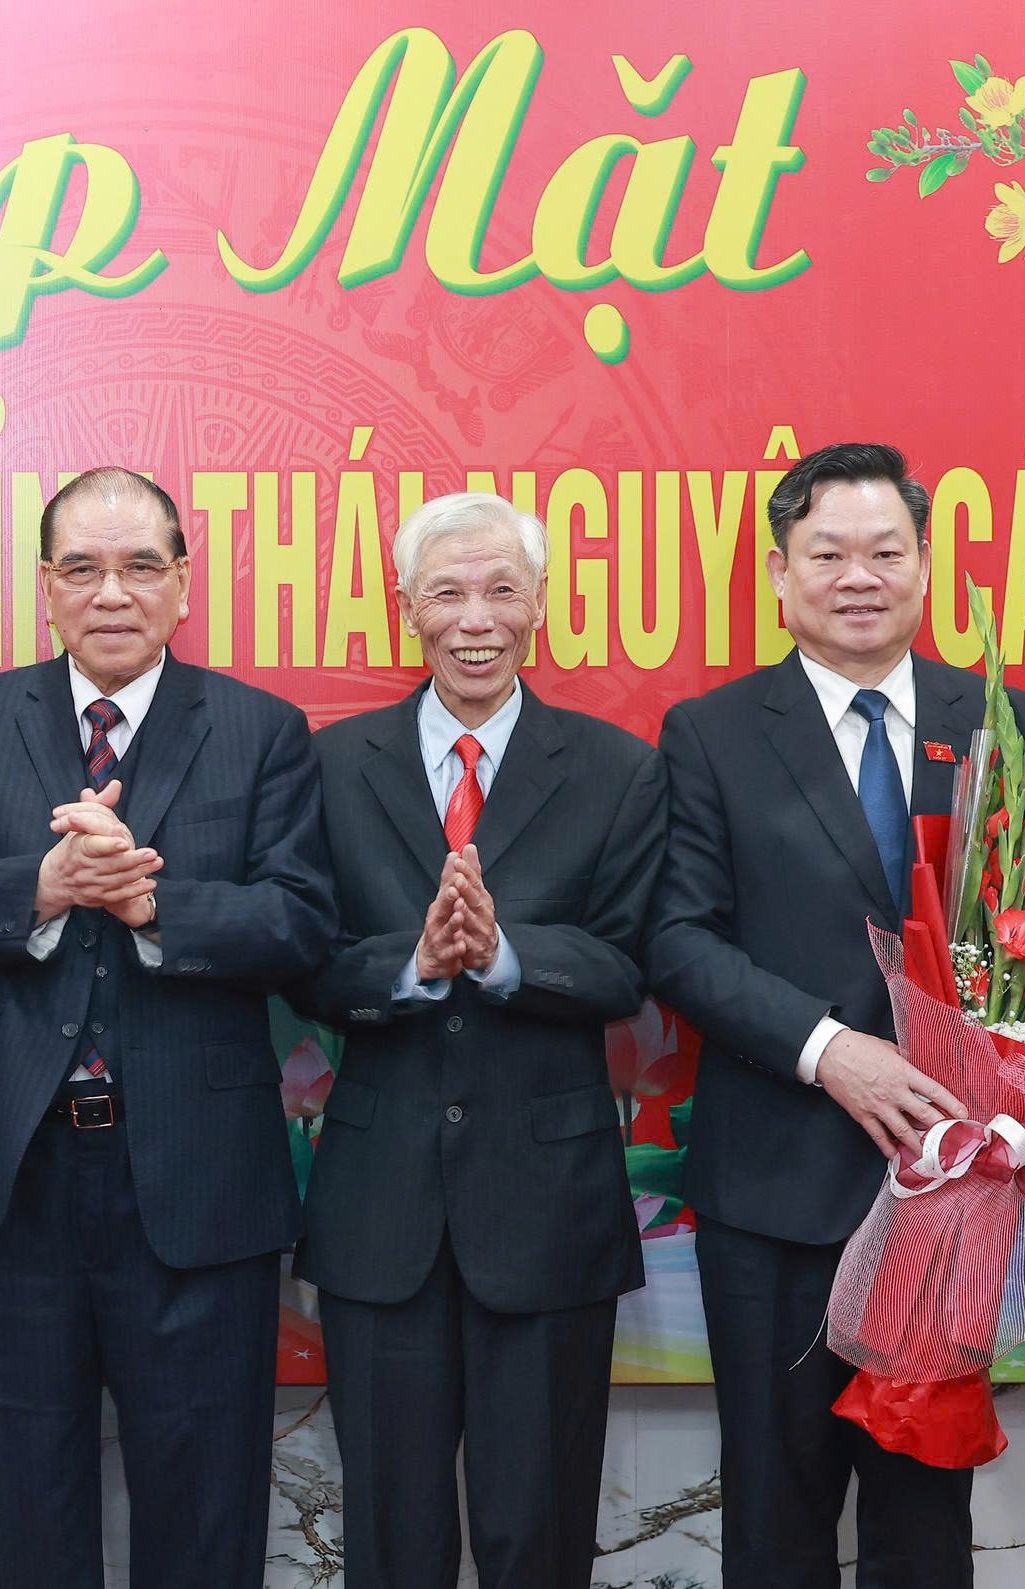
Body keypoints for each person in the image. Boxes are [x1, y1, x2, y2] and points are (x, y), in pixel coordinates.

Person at [0, 466, 337, 1588]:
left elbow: (300, 922)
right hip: (18, 1166)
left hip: (198, 1169)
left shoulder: (260, 729)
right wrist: (43, 887)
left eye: (141, 566)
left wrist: (152, 903)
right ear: (45, 586)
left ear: (182, 583)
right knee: (19, 1498)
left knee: (204, 1503)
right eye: (83, 568)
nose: (112, 592)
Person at [650, 442, 1025, 1588]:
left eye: (884, 551)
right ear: (780, 573)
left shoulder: (1002, 721)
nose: (857, 576)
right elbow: (676, 939)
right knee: (775, 1525)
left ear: (923, 564)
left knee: (924, 1529)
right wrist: (829, 1050)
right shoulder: (712, 732)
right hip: (774, 1191)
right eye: (826, 553)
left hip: (944, 1200)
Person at [291, 492, 663, 1587]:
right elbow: (301, 958)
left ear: (540, 604)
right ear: (407, 606)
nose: (475, 618)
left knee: (536, 1537)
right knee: (390, 1542)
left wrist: (503, 953)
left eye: (502, 589)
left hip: (548, 1211)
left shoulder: (617, 768)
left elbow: (628, 964)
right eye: (447, 592)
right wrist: (415, 960)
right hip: (380, 1212)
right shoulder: (329, 763)